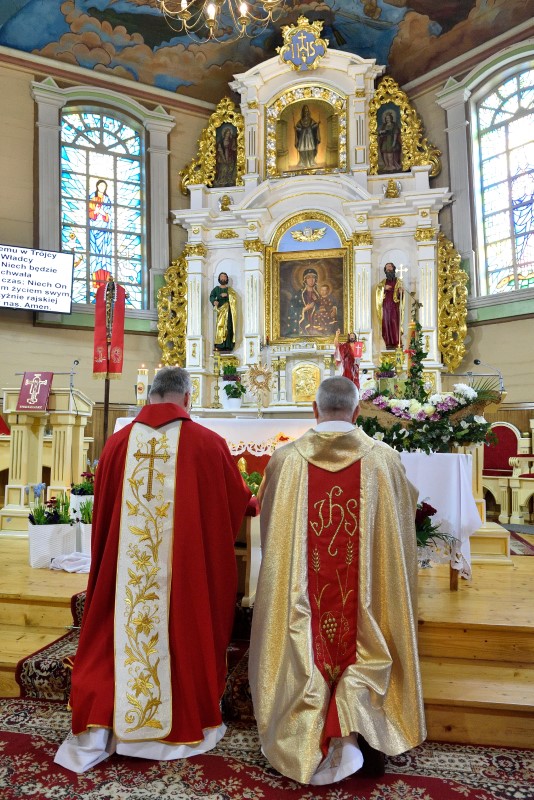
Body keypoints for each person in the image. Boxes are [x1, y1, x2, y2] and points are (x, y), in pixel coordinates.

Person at [55, 367, 252, 773]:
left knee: (122, 623)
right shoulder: (208, 444)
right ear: (187, 398)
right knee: (182, 621)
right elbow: (233, 501)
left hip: (125, 577)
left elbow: (103, 519)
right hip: (183, 577)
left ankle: (108, 718)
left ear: (149, 395)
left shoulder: (117, 444)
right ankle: (176, 718)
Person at [249, 376, 425, 785]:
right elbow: (401, 533)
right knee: (367, 631)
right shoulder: (384, 460)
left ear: (315, 410)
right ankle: (359, 724)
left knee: (303, 633)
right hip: (363, 607)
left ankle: (305, 729)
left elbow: (270, 528)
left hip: (304, 602)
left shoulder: (285, 460)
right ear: (357, 411)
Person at [375, 262, 405, 350]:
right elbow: (378, 291)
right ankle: (388, 342)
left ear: (393, 269)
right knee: (386, 323)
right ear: (385, 270)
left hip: (394, 306)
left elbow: (401, 297)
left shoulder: (398, 281)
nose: (388, 268)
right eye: (387, 267)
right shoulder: (383, 282)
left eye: (390, 267)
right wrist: (383, 288)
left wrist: (401, 292)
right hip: (385, 307)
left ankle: (397, 342)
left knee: (394, 323)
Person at [88, 179, 113, 275]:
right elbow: (89, 213)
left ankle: (105, 277)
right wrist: (95, 212)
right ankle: (95, 276)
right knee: (95, 254)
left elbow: (109, 216)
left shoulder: (107, 200)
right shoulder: (92, 198)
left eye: (104, 186)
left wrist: (103, 213)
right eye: (101, 185)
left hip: (104, 230)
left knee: (104, 254)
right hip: (94, 228)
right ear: (97, 186)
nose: (102, 187)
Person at [210, 271, 237, 351]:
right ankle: (219, 344)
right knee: (220, 326)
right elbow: (211, 296)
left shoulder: (229, 289)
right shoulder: (216, 289)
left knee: (228, 327)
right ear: (219, 278)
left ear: (227, 279)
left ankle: (228, 345)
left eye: (224, 277)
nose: (223, 278)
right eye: (221, 277)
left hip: (228, 311)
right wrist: (214, 301)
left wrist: (227, 295)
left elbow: (234, 297)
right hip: (220, 311)